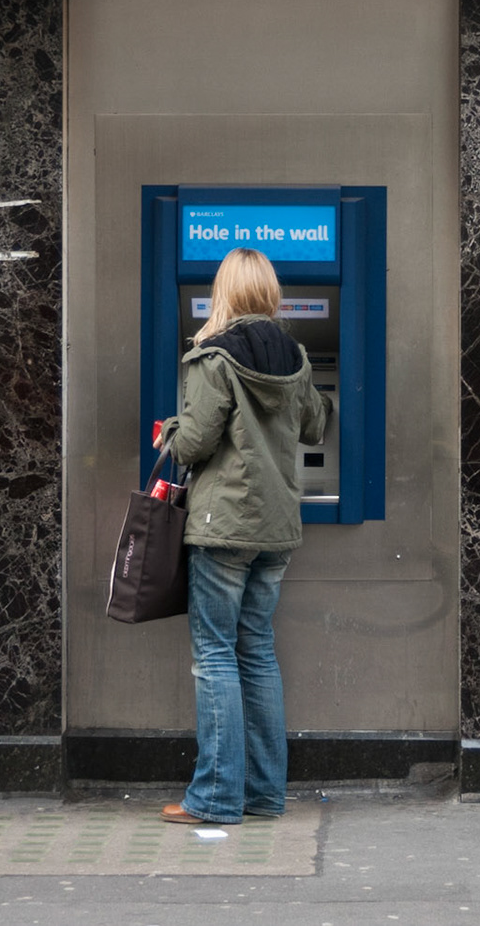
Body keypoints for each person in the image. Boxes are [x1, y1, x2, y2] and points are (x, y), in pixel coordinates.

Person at [155, 248, 334, 826]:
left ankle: (215, 797)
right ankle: (263, 794)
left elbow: (194, 443)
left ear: (224, 291)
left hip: (224, 526)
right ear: (270, 293)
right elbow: (315, 425)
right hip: (276, 528)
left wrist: (171, 430)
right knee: (255, 650)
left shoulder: (212, 357)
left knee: (214, 654)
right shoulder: (296, 358)